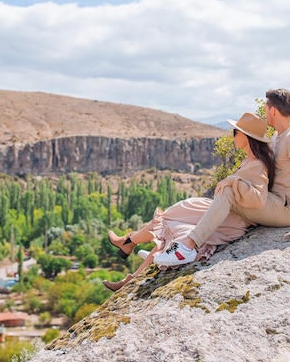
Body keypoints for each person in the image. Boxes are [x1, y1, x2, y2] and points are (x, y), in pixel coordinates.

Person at [153, 88, 290, 267]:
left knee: (231, 191)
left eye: (266, 109)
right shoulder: (277, 136)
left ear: (273, 110)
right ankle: (173, 246)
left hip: (286, 208)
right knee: (215, 203)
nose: (265, 113)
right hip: (270, 201)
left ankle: (187, 248)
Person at [103, 112, 275, 291]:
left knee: (178, 229)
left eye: (235, 132)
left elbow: (257, 199)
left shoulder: (257, 165)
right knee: (176, 214)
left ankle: (130, 255)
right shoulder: (250, 160)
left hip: (234, 219)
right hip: (227, 211)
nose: (233, 137)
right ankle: (130, 246)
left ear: (246, 137)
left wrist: (232, 181)